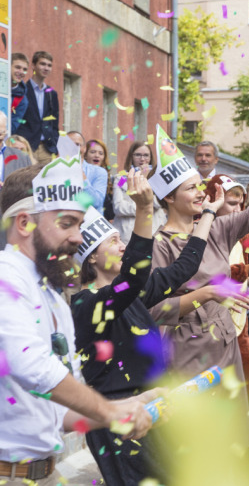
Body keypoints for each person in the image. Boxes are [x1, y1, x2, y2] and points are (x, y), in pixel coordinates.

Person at [148, 129, 249, 481]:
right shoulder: (160, 244)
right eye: (191, 188)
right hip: (188, 356)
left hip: (227, 353)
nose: (200, 193)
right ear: (170, 198)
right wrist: (208, 293)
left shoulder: (217, 229)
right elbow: (155, 310)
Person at [0, 162, 155, 485]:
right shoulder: (5, 278)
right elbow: (34, 366)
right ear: (25, 222)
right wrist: (109, 411)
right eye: (67, 223)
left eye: (80, 224)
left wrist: (123, 407)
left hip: (44, 474)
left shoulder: (54, 297)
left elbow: (59, 414)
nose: (78, 238)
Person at [70, 169, 219, 485]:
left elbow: (184, 268)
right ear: (92, 259)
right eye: (114, 241)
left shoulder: (134, 295)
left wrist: (208, 213)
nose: (123, 245)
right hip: (119, 418)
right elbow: (133, 278)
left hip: (155, 406)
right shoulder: (85, 304)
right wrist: (144, 209)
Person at [113, 141, 167, 243]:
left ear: (151, 158)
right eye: (138, 155)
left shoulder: (157, 179)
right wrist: (143, 206)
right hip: (127, 234)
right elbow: (118, 207)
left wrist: (145, 178)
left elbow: (159, 202)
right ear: (131, 157)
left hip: (154, 233)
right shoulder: (122, 178)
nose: (142, 159)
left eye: (146, 155)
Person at [19, 51, 59, 164]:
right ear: (33, 66)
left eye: (49, 65)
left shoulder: (52, 93)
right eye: (42, 64)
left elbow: (54, 123)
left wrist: (54, 143)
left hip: (46, 148)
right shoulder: (22, 90)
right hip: (27, 146)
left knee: (47, 181)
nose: (46, 68)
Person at [66, 131, 108, 212]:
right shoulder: (53, 169)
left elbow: (96, 202)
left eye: (77, 145)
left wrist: (82, 176)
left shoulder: (100, 172)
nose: (97, 155)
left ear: (84, 149)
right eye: (69, 145)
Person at [84, 139, 115, 220]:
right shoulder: (82, 173)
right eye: (93, 152)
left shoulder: (115, 177)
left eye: (101, 153)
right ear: (85, 154)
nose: (97, 155)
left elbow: (116, 190)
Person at [0, 111, 32, 188]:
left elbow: (28, 188)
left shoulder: (22, 158)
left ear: (6, 130)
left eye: (1, 132)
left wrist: (8, 189)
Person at [9, 53, 29, 138]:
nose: (21, 72)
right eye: (17, 67)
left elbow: (12, 128)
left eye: (24, 69)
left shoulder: (22, 100)